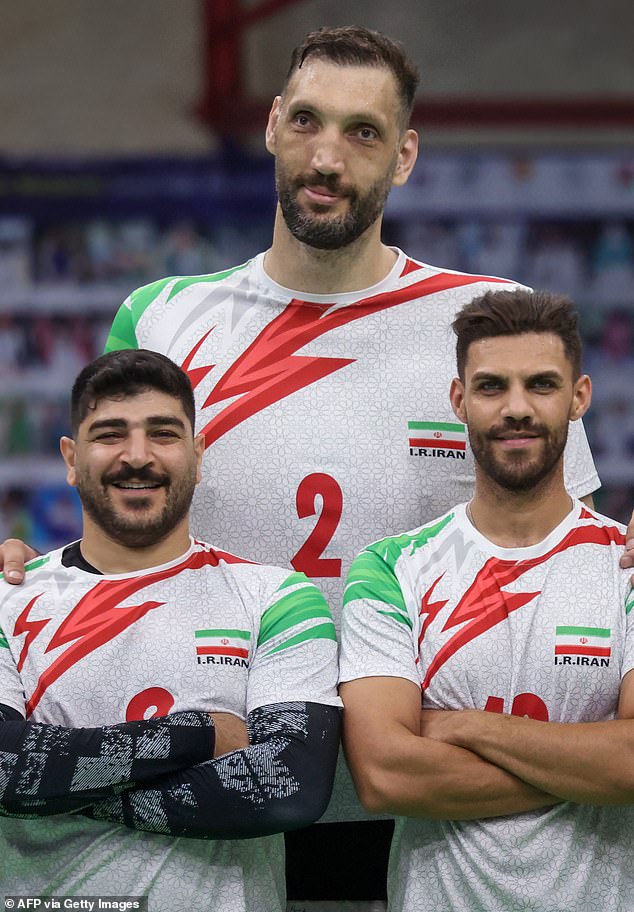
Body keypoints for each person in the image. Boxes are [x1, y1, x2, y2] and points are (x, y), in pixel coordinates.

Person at [0, 23, 626, 903]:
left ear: (404, 156)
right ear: (270, 127)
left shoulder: (488, 318)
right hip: (220, 800)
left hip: (438, 815)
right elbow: (110, 515)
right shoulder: (166, 316)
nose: (327, 156)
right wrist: (20, 561)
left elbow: (573, 539)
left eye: (363, 132)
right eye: (307, 122)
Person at [0, 349, 341, 911]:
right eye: (110, 434)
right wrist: (199, 736)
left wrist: (47, 786)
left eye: (163, 434)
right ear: (70, 457)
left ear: (198, 454)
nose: (138, 457)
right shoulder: (9, 599)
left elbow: (288, 791)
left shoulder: (276, 598)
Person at [339, 289, 634, 911]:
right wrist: (587, 765)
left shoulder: (627, 566)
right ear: (459, 400)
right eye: (493, 386)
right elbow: (384, 775)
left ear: (579, 397)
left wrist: (463, 726)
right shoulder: (390, 569)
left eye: (542, 385)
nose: (517, 408)